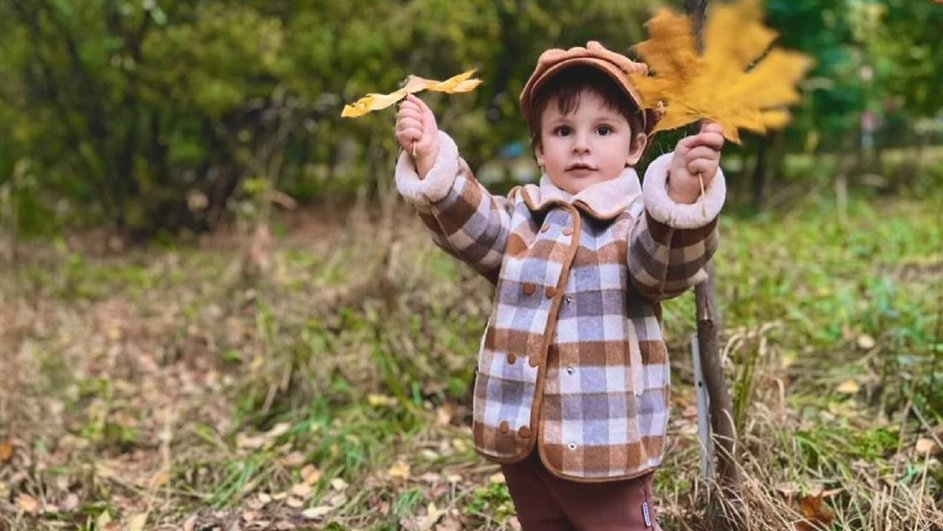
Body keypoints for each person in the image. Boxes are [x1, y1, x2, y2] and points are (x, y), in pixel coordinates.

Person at [393, 41, 725, 530]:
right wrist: (430, 157)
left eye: (603, 129)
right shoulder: (523, 219)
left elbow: (664, 267)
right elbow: (474, 225)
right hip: (522, 435)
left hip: (605, 442)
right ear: (540, 150)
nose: (582, 144)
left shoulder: (636, 224)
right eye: (563, 131)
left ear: (635, 146)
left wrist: (678, 197)